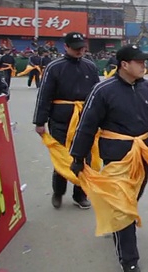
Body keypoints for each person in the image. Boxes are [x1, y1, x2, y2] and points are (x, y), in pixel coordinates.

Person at [69, 44, 148, 272]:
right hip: (117, 156)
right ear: (124, 65)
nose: (144, 66)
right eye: (139, 62)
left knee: (133, 197)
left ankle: (117, 221)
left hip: (142, 152)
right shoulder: (103, 90)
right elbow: (86, 126)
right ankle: (129, 261)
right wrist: (78, 157)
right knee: (123, 206)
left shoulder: (147, 87)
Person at [33, 32, 100, 209]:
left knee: (84, 158)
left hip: (85, 119)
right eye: (76, 48)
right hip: (61, 119)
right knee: (62, 157)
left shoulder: (90, 66)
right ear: (66, 47)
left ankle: (80, 194)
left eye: (82, 48)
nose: (80, 51)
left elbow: (98, 95)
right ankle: (58, 191)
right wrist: (40, 122)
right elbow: (44, 95)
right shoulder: (54, 67)